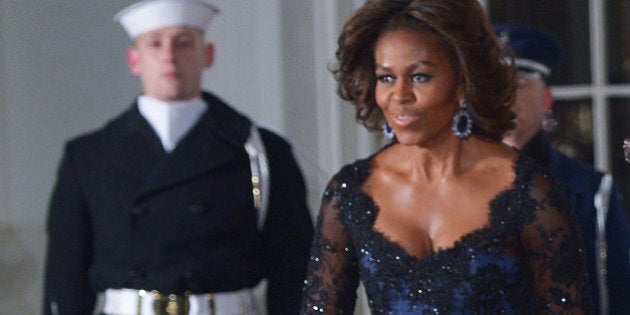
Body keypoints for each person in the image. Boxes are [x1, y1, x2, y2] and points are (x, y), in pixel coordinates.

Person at [300, 0, 592, 313]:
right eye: (386, 77)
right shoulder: (351, 192)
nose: (399, 96)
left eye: (420, 76)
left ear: (463, 81)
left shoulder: (528, 191)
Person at [42, 0, 313, 314]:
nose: (169, 56)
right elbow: (65, 279)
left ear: (207, 54)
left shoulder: (262, 152)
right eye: (155, 44)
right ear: (134, 60)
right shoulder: (88, 157)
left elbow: (294, 271)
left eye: (183, 42)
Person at [495, 23, 630, 314]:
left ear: (546, 100)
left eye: (519, 85)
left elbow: (615, 294)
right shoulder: (454, 182)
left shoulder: (592, 190)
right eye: (494, 85)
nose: (504, 96)